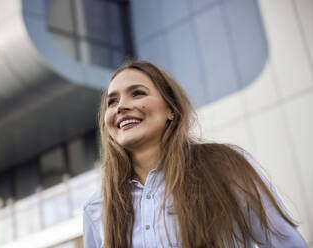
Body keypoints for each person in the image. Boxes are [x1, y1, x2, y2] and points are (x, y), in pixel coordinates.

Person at [83, 60, 307, 248]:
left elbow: (285, 243)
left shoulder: (225, 167)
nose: (121, 106)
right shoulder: (97, 206)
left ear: (171, 109)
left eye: (137, 93)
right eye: (112, 101)